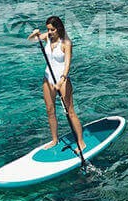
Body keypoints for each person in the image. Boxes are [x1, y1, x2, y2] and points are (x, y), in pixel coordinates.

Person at [27, 16, 86, 151]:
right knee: (50, 110)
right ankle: (54, 140)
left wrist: (61, 81)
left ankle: (81, 142)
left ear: (59, 28)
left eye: (52, 30)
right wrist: (34, 34)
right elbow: (31, 40)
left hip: (62, 80)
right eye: (48, 29)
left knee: (70, 111)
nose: (50, 32)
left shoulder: (66, 43)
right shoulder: (47, 37)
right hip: (48, 78)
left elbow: (67, 65)